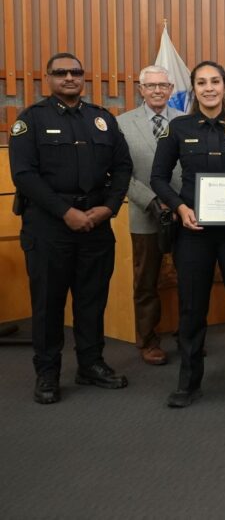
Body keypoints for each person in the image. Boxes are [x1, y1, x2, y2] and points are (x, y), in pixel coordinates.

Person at [150, 60, 225, 408]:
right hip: (194, 231)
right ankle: (188, 383)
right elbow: (158, 177)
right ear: (194, 88)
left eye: (215, 81)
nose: (209, 88)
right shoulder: (178, 128)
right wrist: (179, 208)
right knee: (192, 309)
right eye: (201, 82)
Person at [9, 52, 133, 405]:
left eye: (75, 72)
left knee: (92, 300)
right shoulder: (30, 121)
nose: (69, 78)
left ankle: (91, 364)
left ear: (83, 77)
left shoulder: (102, 120)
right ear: (48, 78)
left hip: (96, 222)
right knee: (48, 303)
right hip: (49, 226)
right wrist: (65, 212)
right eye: (60, 73)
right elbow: (24, 175)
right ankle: (47, 372)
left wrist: (108, 208)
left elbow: (122, 168)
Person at [120, 65, 183, 366]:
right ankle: (148, 340)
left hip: (185, 213)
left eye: (163, 85)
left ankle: (189, 336)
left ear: (172, 89)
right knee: (146, 282)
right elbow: (119, 174)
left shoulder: (185, 122)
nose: (158, 90)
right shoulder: (121, 124)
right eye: (151, 85)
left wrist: (181, 204)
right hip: (146, 215)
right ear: (140, 89)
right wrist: (153, 201)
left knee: (191, 278)